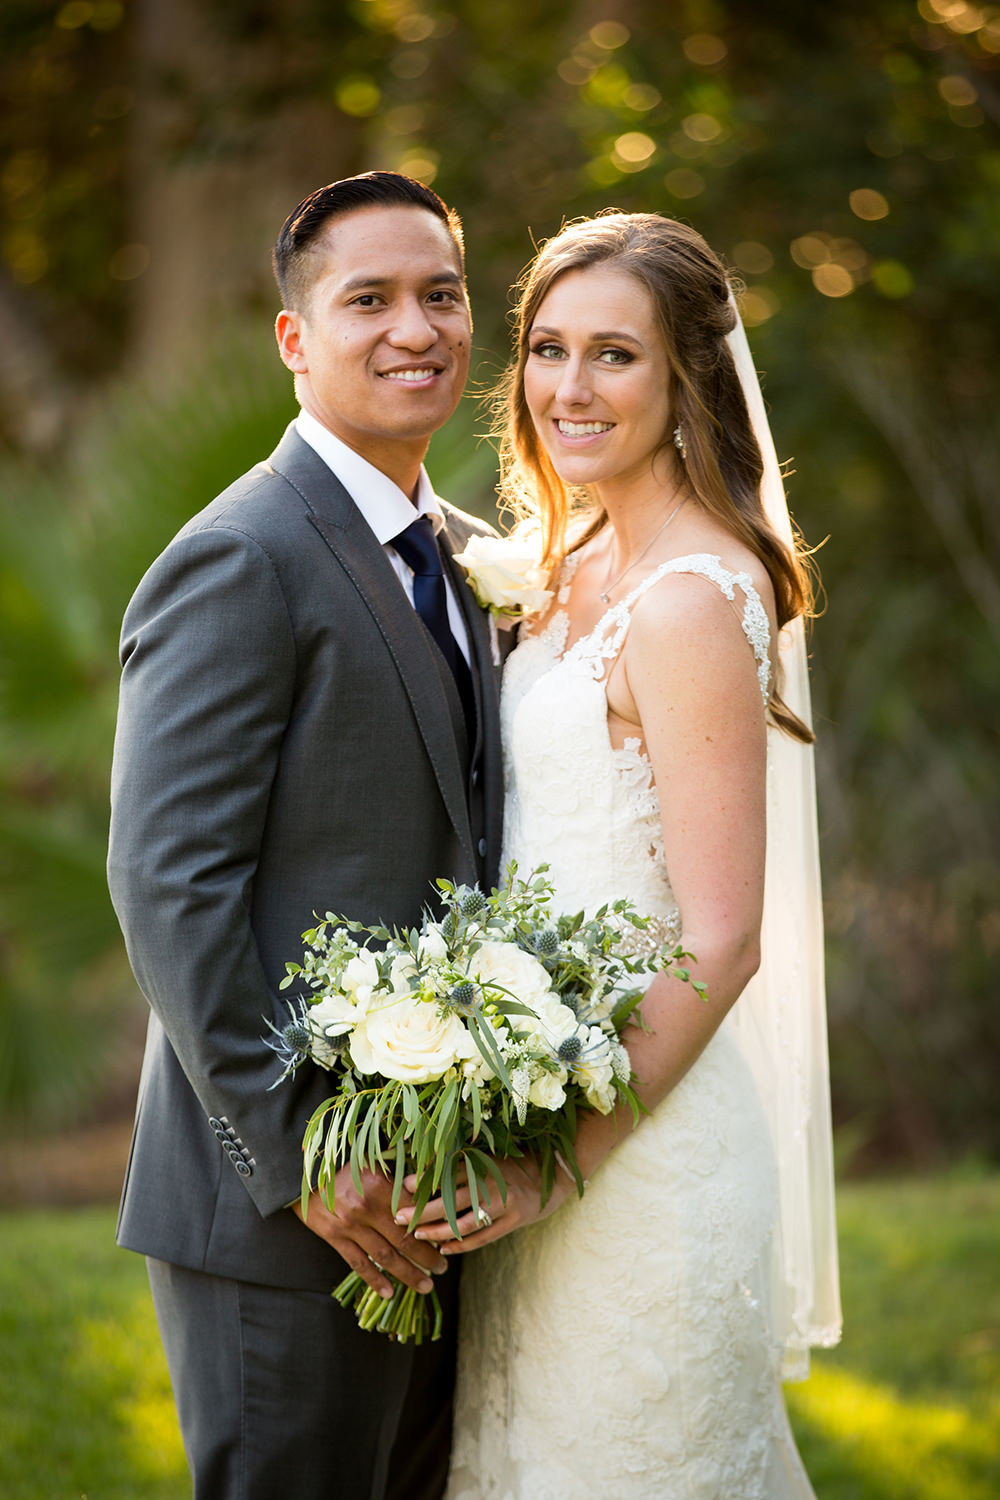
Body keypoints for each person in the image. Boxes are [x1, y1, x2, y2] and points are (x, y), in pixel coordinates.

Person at [400, 213, 842, 1498]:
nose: (568, 390)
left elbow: (723, 935)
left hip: (636, 1157)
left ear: (687, 379)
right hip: (541, 1119)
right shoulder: (573, 560)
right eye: (546, 349)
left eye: (615, 356)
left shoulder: (693, 597)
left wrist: (554, 1165)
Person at [107, 171, 505, 1500]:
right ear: (296, 338)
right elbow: (169, 881)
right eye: (369, 300)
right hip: (279, 1215)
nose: (415, 329)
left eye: (440, 295)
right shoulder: (243, 554)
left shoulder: (464, 554)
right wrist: (290, 1161)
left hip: (442, 1194)